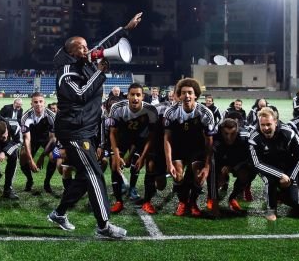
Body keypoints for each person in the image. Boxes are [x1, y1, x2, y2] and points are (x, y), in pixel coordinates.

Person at [47, 11, 141, 239]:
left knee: (85, 175)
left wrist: (126, 28)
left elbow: (104, 43)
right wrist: (99, 74)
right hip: (73, 130)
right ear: (70, 52)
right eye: (80, 47)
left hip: (85, 129)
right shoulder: (66, 72)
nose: (86, 49)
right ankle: (104, 226)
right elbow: (79, 95)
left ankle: (59, 213)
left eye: (86, 46)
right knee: (93, 173)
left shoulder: (85, 61)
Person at [248, 107, 299, 221]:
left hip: (287, 167)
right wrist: (280, 175)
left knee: (294, 201)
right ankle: (271, 209)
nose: (265, 128)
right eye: (262, 125)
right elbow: (257, 164)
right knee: (270, 181)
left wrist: (290, 177)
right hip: (266, 167)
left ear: (275, 122)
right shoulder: (254, 137)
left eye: (269, 124)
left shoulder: (289, 133)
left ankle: (278, 195)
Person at [163, 78, 217, 217]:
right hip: (179, 147)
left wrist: (207, 166)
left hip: (197, 148)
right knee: (178, 175)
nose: (186, 95)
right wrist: (169, 163)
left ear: (196, 95)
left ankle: (192, 203)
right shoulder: (171, 112)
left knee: (199, 176)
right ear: (179, 95)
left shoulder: (205, 113)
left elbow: (209, 142)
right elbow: (167, 138)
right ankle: (182, 202)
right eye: (183, 92)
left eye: (190, 92)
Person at [107, 83, 159, 213]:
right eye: (132, 94)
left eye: (138, 95)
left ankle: (147, 202)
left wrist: (142, 157)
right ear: (127, 95)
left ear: (143, 96)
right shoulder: (117, 108)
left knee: (151, 165)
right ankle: (119, 201)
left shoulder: (151, 110)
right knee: (114, 164)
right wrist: (118, 156)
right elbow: (112, 133)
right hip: (123, 139)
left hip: (142, 140)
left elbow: (151, 137)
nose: (135, 98)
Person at [207, 118, 256, 214]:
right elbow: (211, 166)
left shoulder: (245, 137)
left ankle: (232, 198)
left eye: (232, 134)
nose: (229, 137)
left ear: (237, 130)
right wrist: (215, 202)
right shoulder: (214, 136)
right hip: (220, 162)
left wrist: (232, 167)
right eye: (226, 133)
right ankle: (211, 198)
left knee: (247, 174)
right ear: (221, 131)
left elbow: (251, 160)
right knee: (215, 178)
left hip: (237, 162)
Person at [20, 92, 57, 194]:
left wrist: (42, 157)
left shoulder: (52, 116)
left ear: (44, 103)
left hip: (47, 139)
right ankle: (30, 180)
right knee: (23, 156)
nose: (38, 104)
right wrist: (31, 160)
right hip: (33, 138)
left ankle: (47, 183)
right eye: (35, 102)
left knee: (53, 156)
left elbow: (53, 139)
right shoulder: (25, 117)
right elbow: (26, 140)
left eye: (40, 101)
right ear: (31, 104)